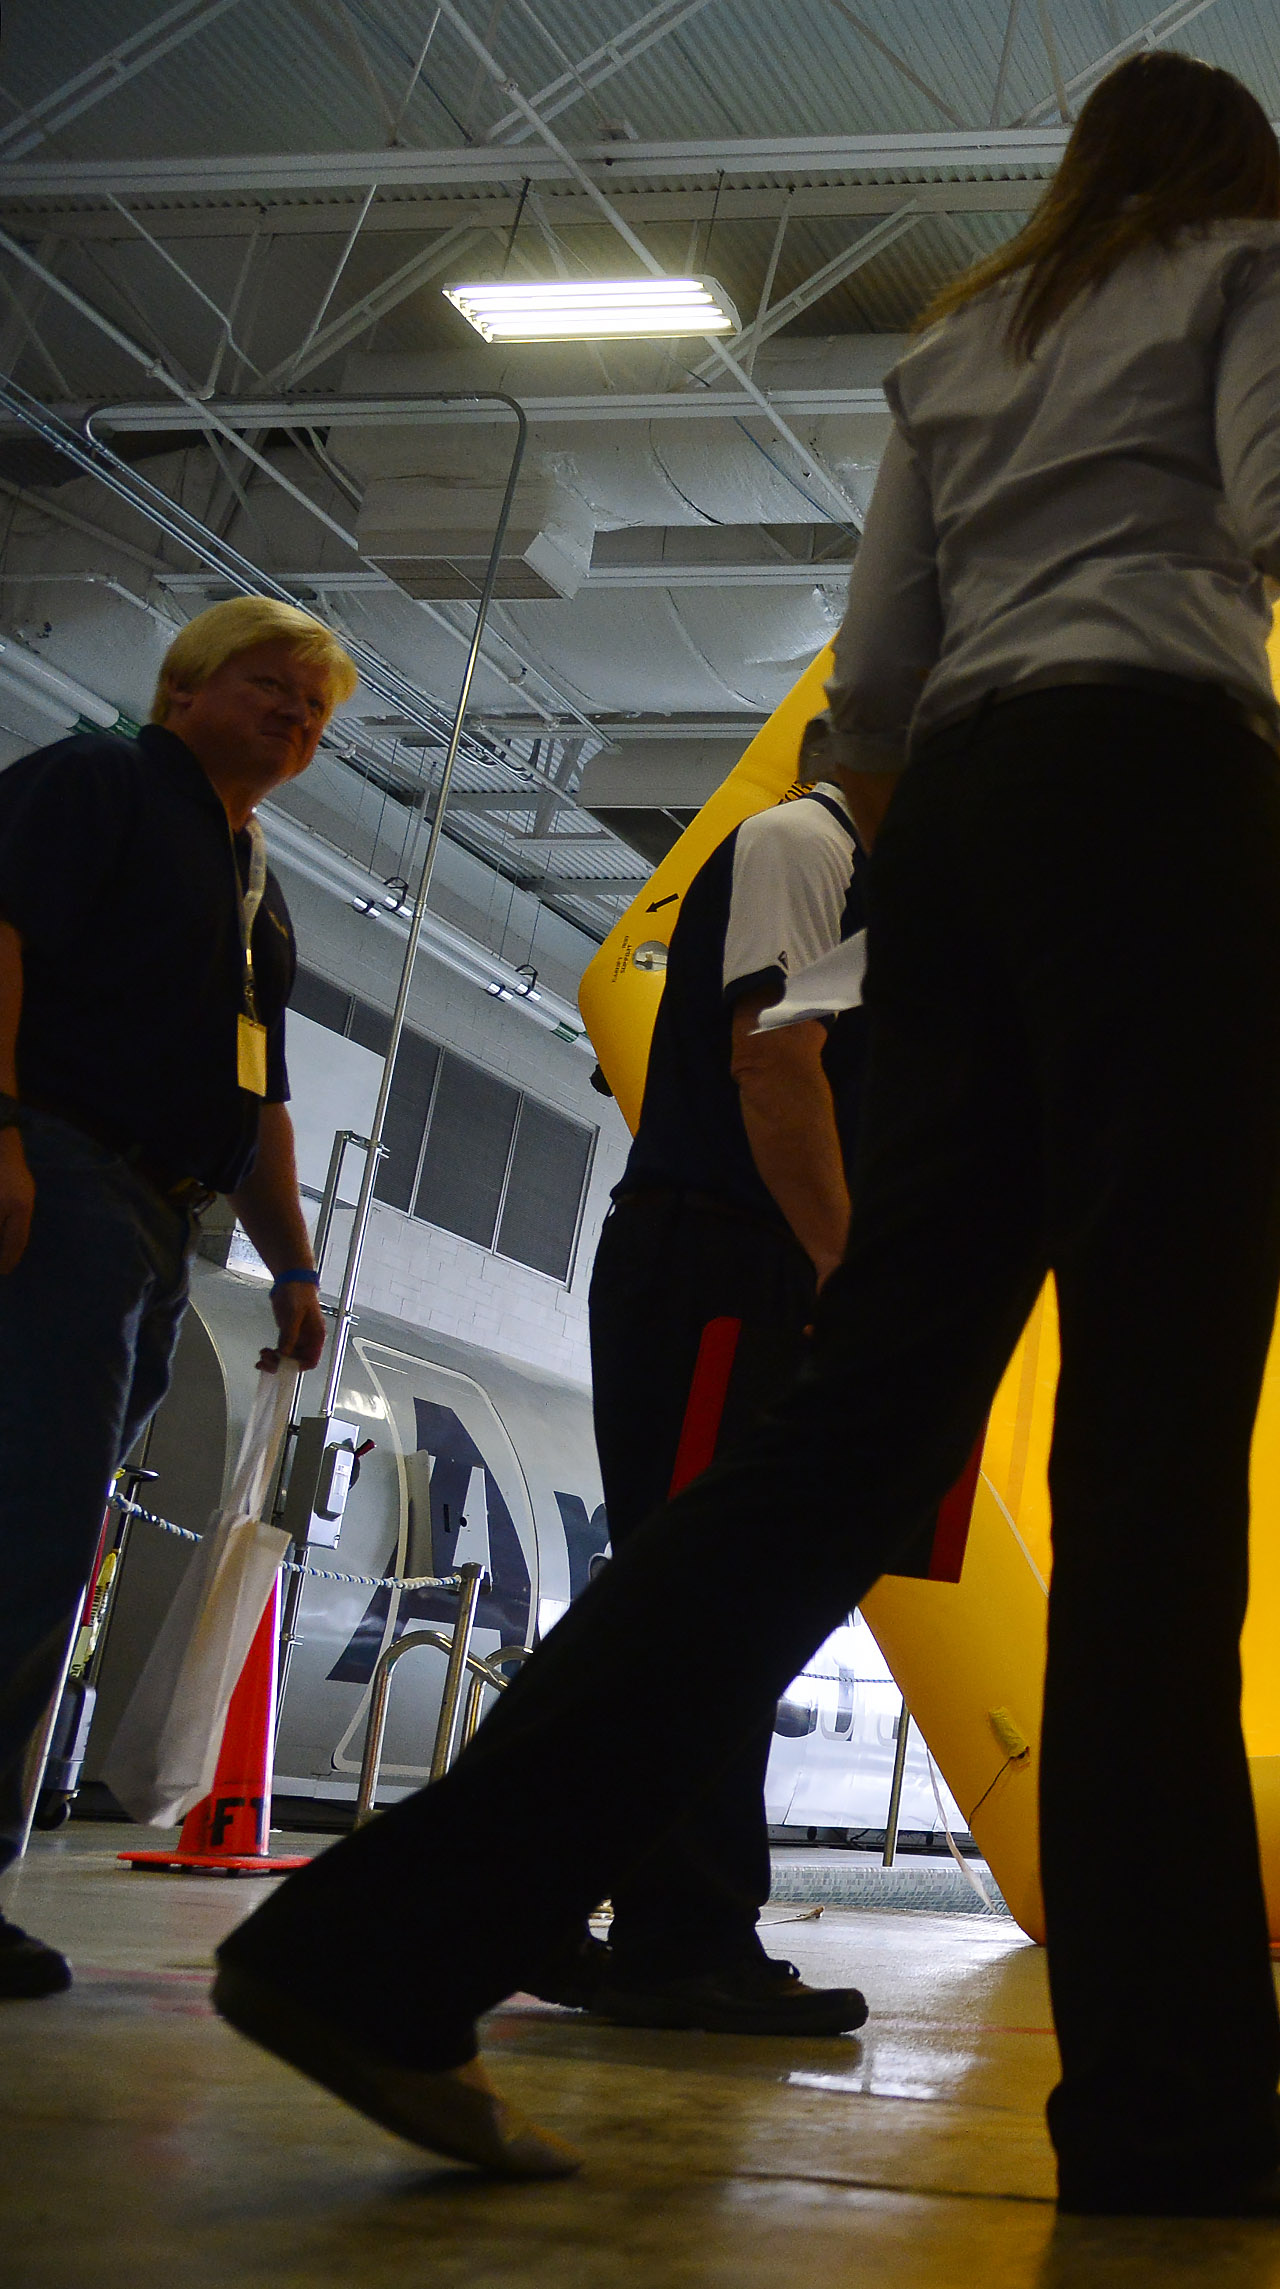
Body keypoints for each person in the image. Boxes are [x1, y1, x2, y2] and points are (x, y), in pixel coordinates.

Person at [213, 50, 1280, 2213]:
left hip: (946, 843)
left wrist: (957, 908)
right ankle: (1166, 2103)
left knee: (835, 1442)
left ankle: (379, 1948)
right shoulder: (1250, 266)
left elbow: (869, 690)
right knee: (1150, 1479)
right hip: (1159, 816)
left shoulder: (962, 339)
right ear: (1235, 182)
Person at [0, 598, 352, 1999]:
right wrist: (4, 1125)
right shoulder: (94, 783)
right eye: (271, 686)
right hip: (63, 1170)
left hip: (160, 1225)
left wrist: (298, 1263)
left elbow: (257, 1095)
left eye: (316, 710)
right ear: (189, 686)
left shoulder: (256, 883)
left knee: (50, 1541)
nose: (295, 718)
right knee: (25, 1527)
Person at [523, 722, 880, 2037]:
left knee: (710, 1597)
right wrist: (848, 1266)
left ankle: (571, 1895)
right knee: (701, 1595)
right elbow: (772, 1063)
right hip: (727, 1255)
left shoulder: (865, 879)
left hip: (755, 1260)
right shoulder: (802, 842)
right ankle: (669, 1931)